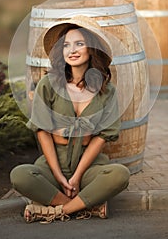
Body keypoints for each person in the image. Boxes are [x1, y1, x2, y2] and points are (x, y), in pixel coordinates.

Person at [10, 15, 130, 223]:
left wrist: (76, 177)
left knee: (120, 174)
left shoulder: (106, 91)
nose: (72, 50)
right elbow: (43, 132)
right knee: (20, 175)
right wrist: (59, 176)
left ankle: (55, 210)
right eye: (66, 45)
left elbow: (100, 138)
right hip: (53, 163)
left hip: (89, 167)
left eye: (79, 44)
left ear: (91, 49)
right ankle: (83, 206)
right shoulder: (48, 84)